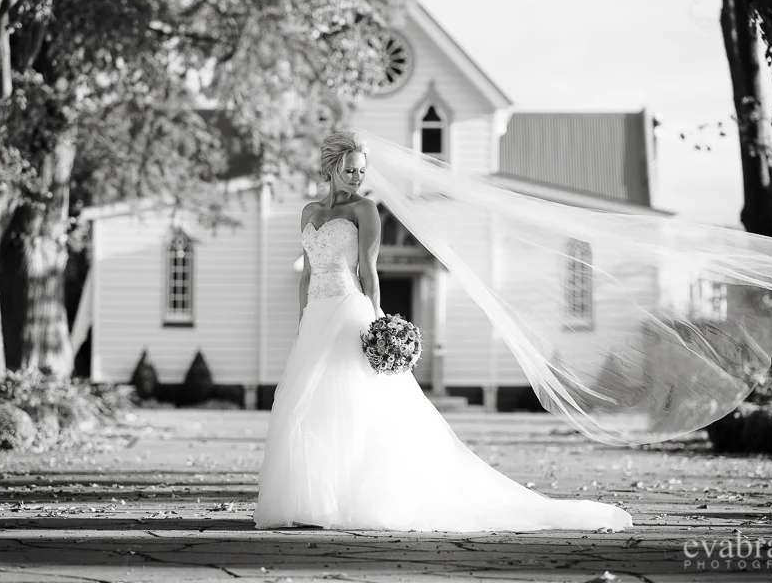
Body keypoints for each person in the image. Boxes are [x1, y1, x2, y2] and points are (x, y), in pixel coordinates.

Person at [253, 130, 633, 532]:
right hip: (316, 317)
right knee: (308, 408)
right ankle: (313, 501)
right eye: (350, 170)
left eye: (362, 171)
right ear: (332, 168)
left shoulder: (365, 209)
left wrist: (378, 323)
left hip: (349, 312)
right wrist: (303, 321)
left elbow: (369, 271)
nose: (357, 177)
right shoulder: (309, 213)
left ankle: (359, 498)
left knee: (355, 404)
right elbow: (307, 274)